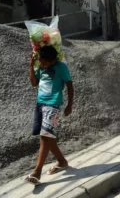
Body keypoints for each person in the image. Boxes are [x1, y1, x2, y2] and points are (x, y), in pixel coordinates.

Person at [25, 46, 74, 185]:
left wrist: (69, 105)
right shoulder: (40, 67)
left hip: (53, 105)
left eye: (44, 62)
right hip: (40, 104)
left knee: (45, 136)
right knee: (49, 138)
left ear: (53, 61)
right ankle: (62, 161)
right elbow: (34, 83)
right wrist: (31, 65)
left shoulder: (61, 67)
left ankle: (37, 172)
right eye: (40, 60)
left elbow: (70, 86)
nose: (41, 63)